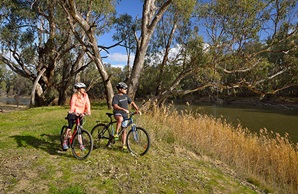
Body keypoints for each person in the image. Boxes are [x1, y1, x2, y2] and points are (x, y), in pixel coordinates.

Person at [62, 82, 91, 151]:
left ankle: (81, 144)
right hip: (73, 113)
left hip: (81, 114)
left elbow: (88, 104)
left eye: (84, 88)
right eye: (82, 88)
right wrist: (73, 111)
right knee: (70, 127)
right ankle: (65, 141)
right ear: (78, 89)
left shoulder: (85, 95)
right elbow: (72, 104)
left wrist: (88, 111)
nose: (84, 89)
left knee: (79, 129)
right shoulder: (74, 95)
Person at [112, 82, 139, 151]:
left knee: (124, 130)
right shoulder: (116, 97)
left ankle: (123, 145)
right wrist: (123, 109)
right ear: (120, 89)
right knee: (120, 119)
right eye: (125, 89)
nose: (126, 90)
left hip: (125, 115)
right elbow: (115, 106)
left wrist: (137, 109)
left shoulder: (126, 96)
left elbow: (132, 103)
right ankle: (116, 133)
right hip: (118, 113)